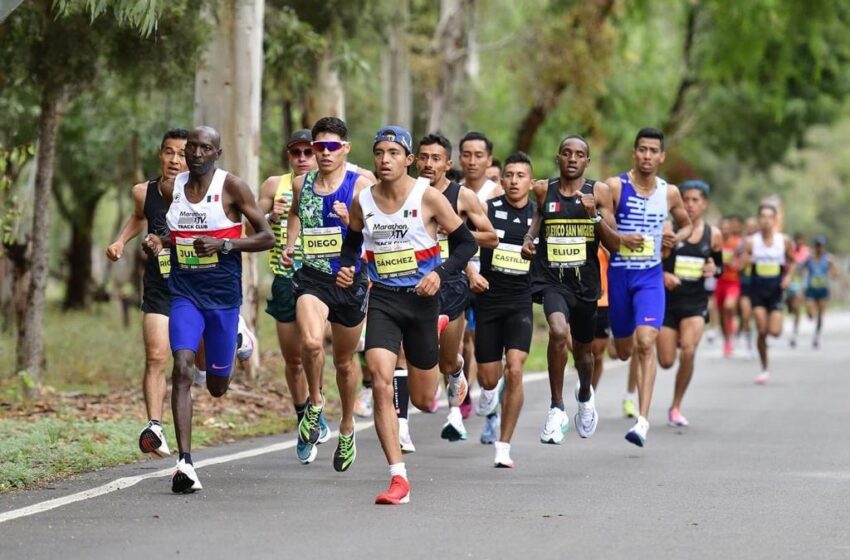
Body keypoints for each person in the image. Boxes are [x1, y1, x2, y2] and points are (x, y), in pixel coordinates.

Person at [337, 125, 477, 505]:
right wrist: (347, 266)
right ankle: (398, 478)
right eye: (379, 152)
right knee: (381, 380)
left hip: (422, 302)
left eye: (393, 153)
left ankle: (450, 357)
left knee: (423, 398)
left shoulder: (428, 198)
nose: (385, 159)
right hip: (382, 299)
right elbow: (351, 245)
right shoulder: (361, 201)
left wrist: (438, 274)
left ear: (408, 159)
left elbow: (465, 244)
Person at [142, 126, 274, 493]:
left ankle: (235, 336)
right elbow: (176, 234)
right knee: (182, 368)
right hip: (184, 293)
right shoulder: (173, 188)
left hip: (222, 297)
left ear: (217, 153)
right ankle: (185, 462)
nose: (196, 153)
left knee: (217, 386)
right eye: (191, 148)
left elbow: (267, 237)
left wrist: (224, 245)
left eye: (205, 148)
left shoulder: (232, 187)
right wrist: (159, 240)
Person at [282, 117, 372, 473]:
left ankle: (347, 426)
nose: (323, 153)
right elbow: (294, 213)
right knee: (311, 341)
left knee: (346, 363)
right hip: (313, 278)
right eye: (319, 147)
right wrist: (291, 245)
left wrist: (352, 218)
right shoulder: (302, 183)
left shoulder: (361, 184)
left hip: (350, 281)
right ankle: (316, 405)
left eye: (332, 147)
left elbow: (380, 227)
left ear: (345, 149)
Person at [522, 135, 620, 444]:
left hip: (586, 284)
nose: (572, 159)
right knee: (558, 331)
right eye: (567, 153)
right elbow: (539, 216)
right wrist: (529, 238)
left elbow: (614, 245)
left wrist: (594, 216)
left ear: (587, 162)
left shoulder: (598, 192)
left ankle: (585, 395)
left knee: (584, 355)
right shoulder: (542, 190)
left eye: (579, 155)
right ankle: (556, 407)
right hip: (552, 280)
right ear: (558, 158)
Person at [605, 127, 692, 447]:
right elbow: (601, 222)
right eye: (641, 149)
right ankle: (613, 342)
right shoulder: (616, 186)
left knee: (646, 341)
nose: (647, 156)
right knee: (624, 351)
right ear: (634, 153)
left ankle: (642, 421)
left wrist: (676, 238)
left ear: (661, 156)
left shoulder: (669, 193)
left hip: (650, 277)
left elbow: (687, 224)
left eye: (653, 151)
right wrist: (618, 238)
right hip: (619, 276)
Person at [106, 128, 188, 458]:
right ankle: (154, 426)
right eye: (169, 152)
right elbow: (140, 217)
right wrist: (119, 241)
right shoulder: (144, 191)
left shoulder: (203, 193)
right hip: (159, 285)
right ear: (160, 154)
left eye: (182, 153)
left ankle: (236, 335)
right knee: (155, 356)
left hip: (197, 288)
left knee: (197, 364)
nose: (174, 159)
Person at [416, 133, 497, 443]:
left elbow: (491, 237)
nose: (428, 164)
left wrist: (453, 231)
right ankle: (402, 426)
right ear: (414, 160)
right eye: (423, 157)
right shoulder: (406, 193)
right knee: (408, 352)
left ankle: (455, 383)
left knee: (449, 358)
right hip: (414, 281)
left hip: (452, 283)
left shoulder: (461, 196)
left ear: (448, 164)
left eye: (435, 158)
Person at [475, 152, 536, 467]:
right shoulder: (488, 210)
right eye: (508, 175)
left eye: (520, 175)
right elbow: (466, 244)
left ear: (531, 181)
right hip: (487, 302)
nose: (513, 181)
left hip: (520, 303)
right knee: (488, 379)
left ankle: (504, 446)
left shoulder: (539, 217)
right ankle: (488, 393)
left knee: (514, 369)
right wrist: (472, 273)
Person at [656, 180, 722, 427]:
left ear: (704, 204)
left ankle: (675, 406)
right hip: (668, 303)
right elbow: (652, 262)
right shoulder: (667, 229)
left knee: (689, 350)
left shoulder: (713, 235)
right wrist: (663, 275)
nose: (691, 205)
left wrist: (714, 268)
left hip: (695, 303)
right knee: (665, 361)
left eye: (696, 200)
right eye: (686, 199)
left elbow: (719, 267)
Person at [458, 131, 504, 428]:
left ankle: (490, 408)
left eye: (479, 155)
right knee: (459, 342)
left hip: (490, 279)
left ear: (489, 160)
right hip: (456, 273)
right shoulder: (450, 191)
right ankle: (460, 395)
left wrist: (461, 235)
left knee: (482, 342)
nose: (472, 161)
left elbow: (502, 239)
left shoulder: (499, 193)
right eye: (467, 154)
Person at [739, 204, 795, 384]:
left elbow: (793, 261)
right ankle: (764, 368)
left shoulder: (783, 241)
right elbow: (737, 266)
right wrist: (744, 260)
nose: (766, 220)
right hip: (757, 290)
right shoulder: (751, 242)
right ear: (758, 219)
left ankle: (776, 322)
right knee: (762, 330)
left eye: (770, 217)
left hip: (775, 290)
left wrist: (788, 277)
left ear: (775, 220)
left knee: (775, 331)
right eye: (762, 216)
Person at [715, 216, 743, 357]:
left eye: (727, 227)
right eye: (723, 227)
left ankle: (734, 323)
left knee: (729, 306)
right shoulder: (716, 243)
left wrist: (732, 263)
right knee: (720, 313)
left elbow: (741, 264)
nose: (725, 230)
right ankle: (727, 341)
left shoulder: (737, 243)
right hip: (720, 282)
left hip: (733, 281)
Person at [804, 235, 838, 348]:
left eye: (822, 245)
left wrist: (833, 271)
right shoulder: (809, 258)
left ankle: (817, 336)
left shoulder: (829, 258)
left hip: (823, 289)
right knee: (810, 312)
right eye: (818, 245)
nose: (820, 248)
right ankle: (810, 315)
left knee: (820, 315)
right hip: (811, 289)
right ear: (815, 246)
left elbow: (835, 273)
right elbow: (801, 270)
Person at [786, 233, 810, 347]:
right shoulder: (788, 251)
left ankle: (794, 333)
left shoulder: (806, 252)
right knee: (790, 308)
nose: (799, 243)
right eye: (797, 240)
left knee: (796, 307)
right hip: (787, 282)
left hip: (799, 283)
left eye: (801, 240)